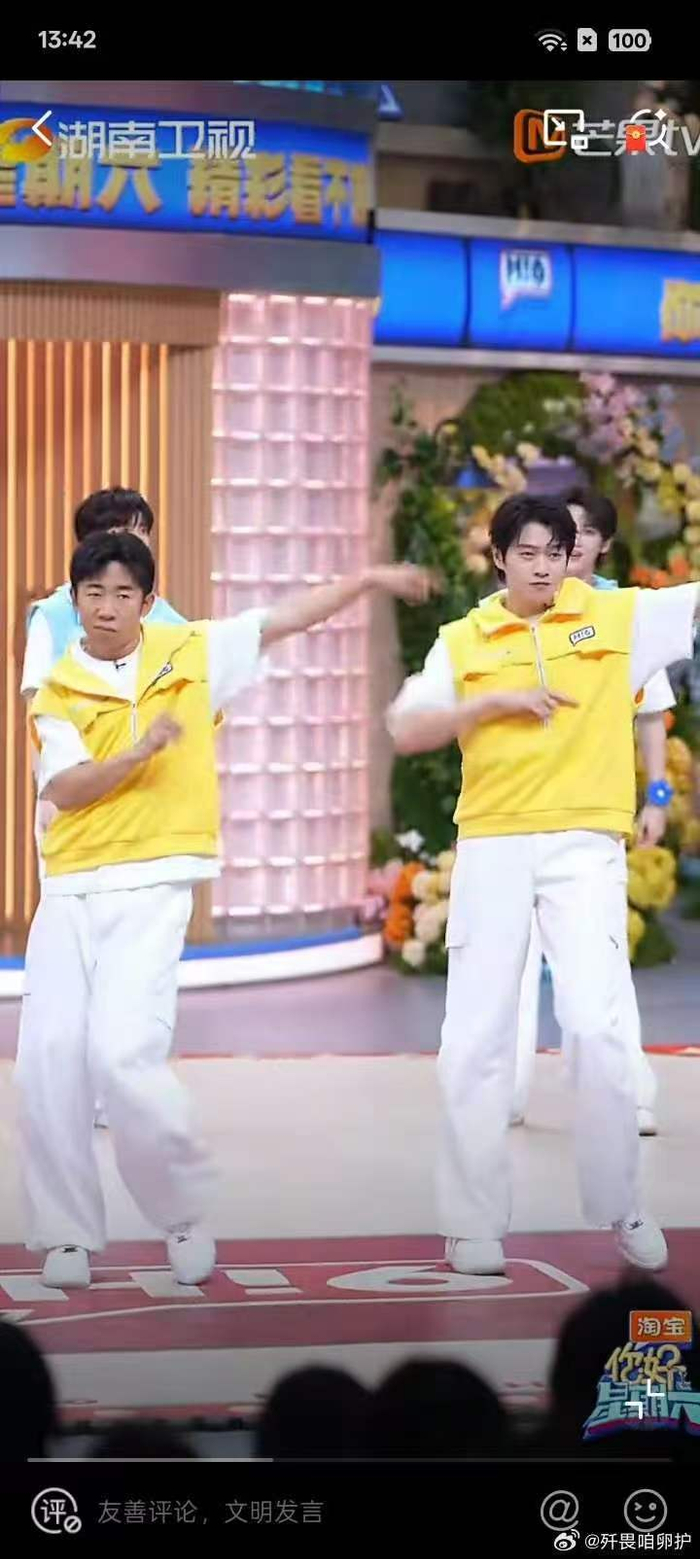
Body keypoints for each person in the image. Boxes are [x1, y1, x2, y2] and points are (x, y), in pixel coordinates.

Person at [17, 530, 435, 1291]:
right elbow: (66, 788)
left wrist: (370, 579)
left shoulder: (194, 651)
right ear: (73, 601)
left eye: (122, 594)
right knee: (48, 1059)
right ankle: (67, 1234)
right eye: (93, 593)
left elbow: (287, 618)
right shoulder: (58, 688)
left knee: (124, 1055)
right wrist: (140, 753)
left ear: (148, 601)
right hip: (72, 886)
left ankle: (182, 1216)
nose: (107, 607)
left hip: (154, 881)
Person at [387, 494, 698, 1278]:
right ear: (498, 557)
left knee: (596, 1024)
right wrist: (491, 701)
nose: (542, 567)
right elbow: (406, 728)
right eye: (525, 553)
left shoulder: (620, 618)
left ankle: (623, 1202)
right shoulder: (462, 639)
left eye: (554, 553)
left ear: (573, 556)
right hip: (494, 842)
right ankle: (471, 1223)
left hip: (585, 845)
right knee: (476, 1036)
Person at [21, 487, 186, 1134]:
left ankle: (124, 1081)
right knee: (77, 955)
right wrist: (62, 783)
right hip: (77, 806)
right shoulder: (53, 615)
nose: (131, 546)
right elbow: (38, 706)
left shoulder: (170, 620)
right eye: (119, 534)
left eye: (141, 534)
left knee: (138, 959)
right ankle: (79, 1084)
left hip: (147, 812)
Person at [511, 487, 674, 1137]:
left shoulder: (626, 615)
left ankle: (626, 1092)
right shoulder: (510, 609)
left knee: (599, 965)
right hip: (515, 813)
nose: (566, 545)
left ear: (604, 543)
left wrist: (657, 795)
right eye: (554, 536)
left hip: (589, 817)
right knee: (508, 964)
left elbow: (650, 714)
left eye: (577, 534)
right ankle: (504, 1090)